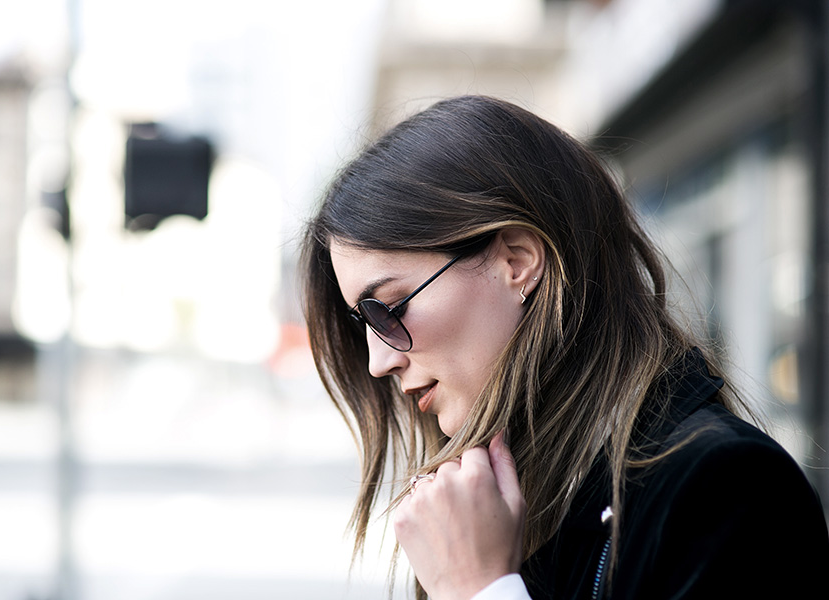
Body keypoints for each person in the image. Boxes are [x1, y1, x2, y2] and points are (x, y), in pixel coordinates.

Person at [301, 95, 829, 600]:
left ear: (517, 262)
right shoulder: (508, 503)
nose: (378, 361)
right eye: (360, 324)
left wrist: (481, 591)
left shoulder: (722, 489)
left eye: (388, 308)